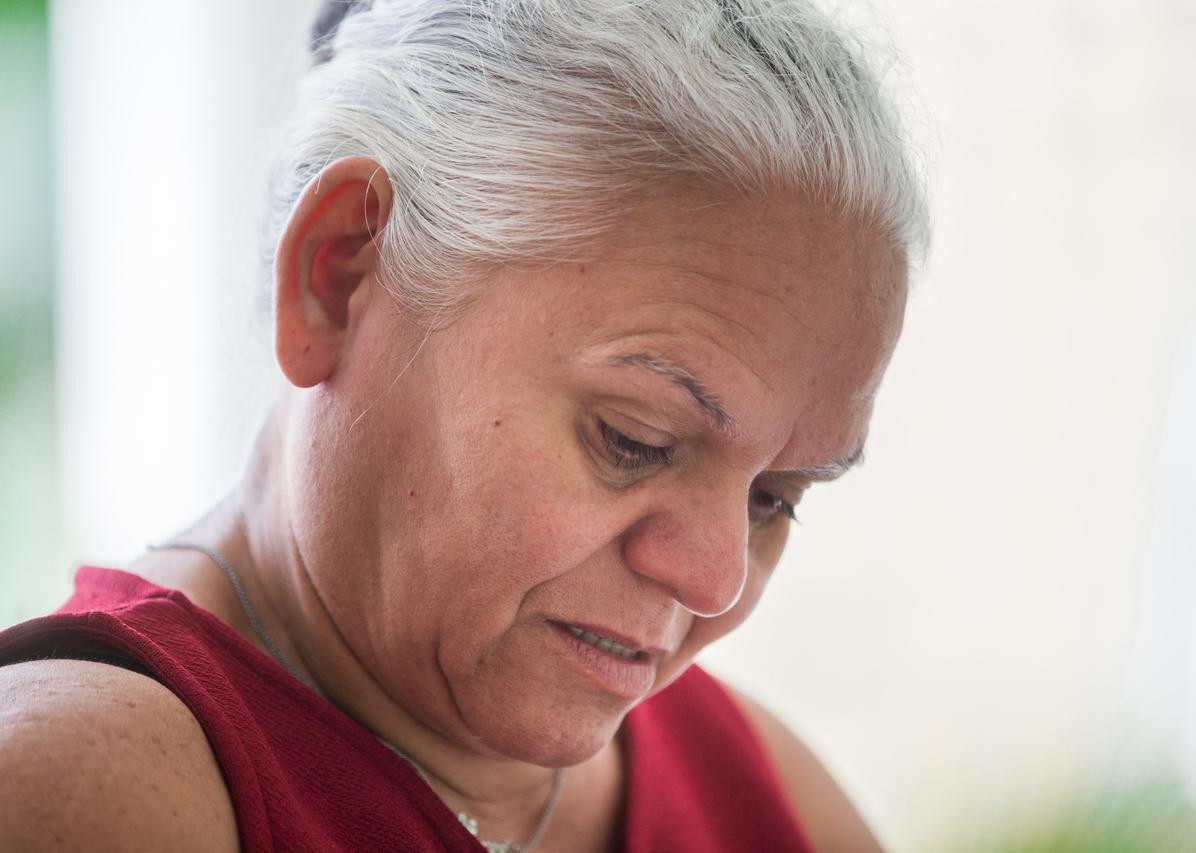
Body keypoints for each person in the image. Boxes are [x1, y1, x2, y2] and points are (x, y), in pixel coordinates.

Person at [0, 0, 927, 850]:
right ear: (339, 276)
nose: (717, 579)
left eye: (775, 499)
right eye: (632, 440)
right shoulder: (84, 785)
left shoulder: (756, 786)